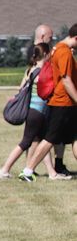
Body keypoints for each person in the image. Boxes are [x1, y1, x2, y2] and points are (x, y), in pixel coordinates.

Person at [19, 23, 77, 182]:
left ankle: (28, 170)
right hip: (63, 103)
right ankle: (27, 171)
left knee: (74, 137)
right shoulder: (64, 52)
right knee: (49, 139)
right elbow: (66, 80)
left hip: (67, 103)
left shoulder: (57, 49)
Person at [0, 43, 61, 179]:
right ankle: (4, 170)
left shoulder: (30, 70)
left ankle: (51, 173)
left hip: (33, 112)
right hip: (37, 112)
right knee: (25, 142)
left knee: (43, 141)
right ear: (45, 54)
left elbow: (21, 88)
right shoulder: (42, 71)